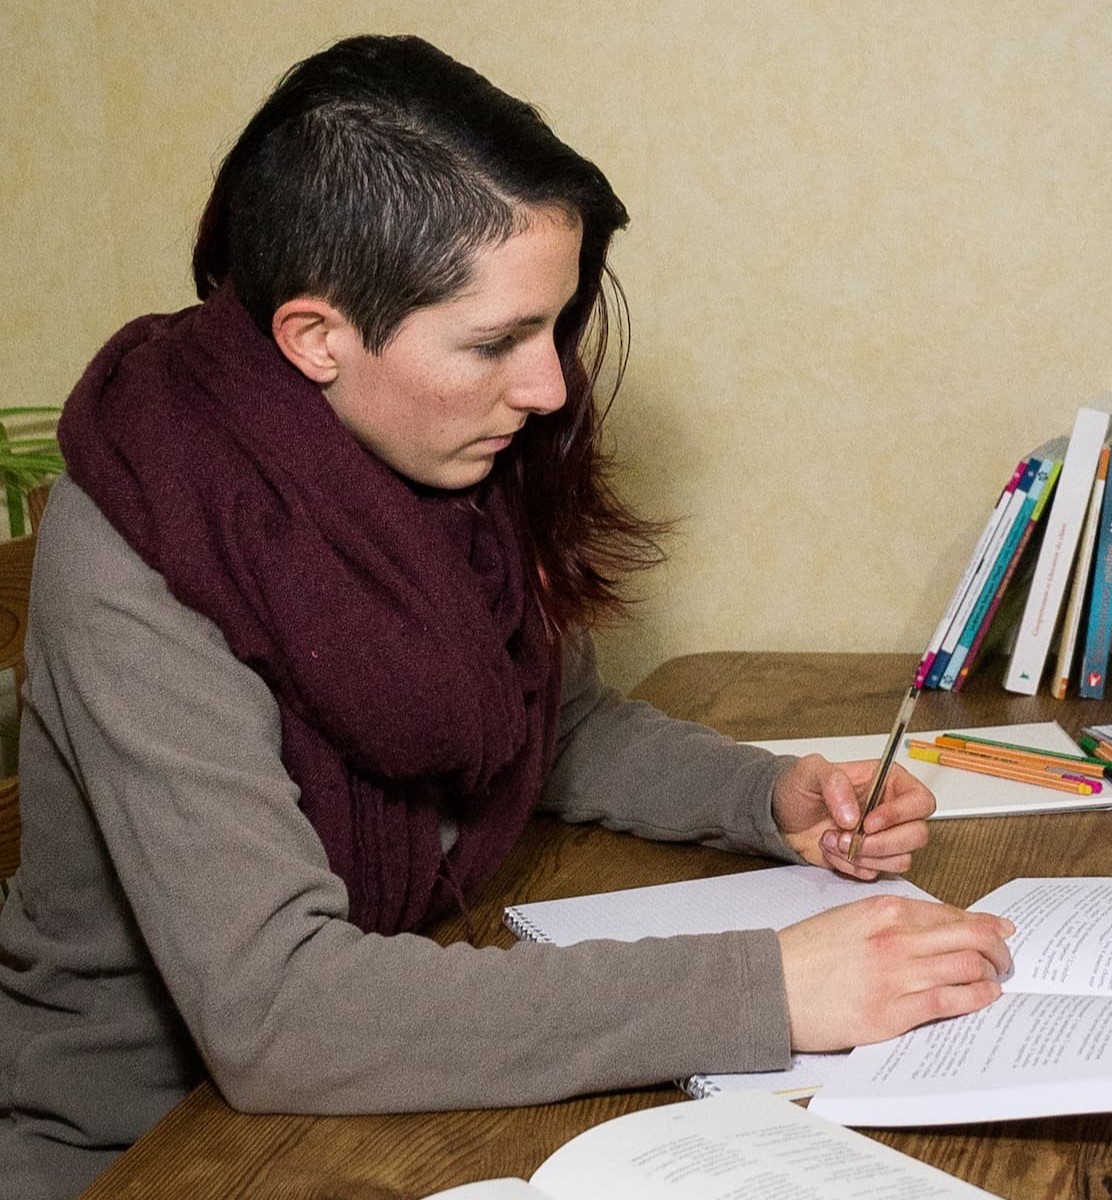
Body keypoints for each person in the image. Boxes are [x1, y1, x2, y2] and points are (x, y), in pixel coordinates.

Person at [0, 34, 1014, 1200]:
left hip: (402, 1037)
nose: (548, 388)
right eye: (494, 343)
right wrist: (770, 988)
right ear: (316, 338)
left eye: (554, 327)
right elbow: (281, 1013)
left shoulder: (421, 451)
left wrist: (764, 797)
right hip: (153, 1153)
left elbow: (558, 726)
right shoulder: (138, 540)